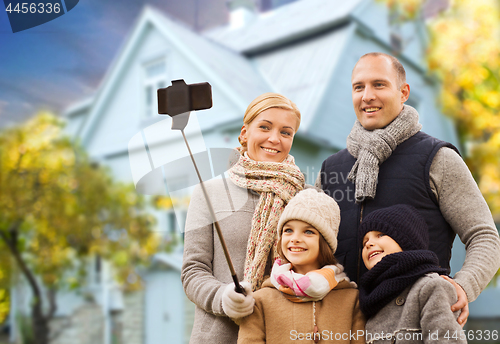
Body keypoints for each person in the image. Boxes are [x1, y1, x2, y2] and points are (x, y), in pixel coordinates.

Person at [317, 52, 500, 325]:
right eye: (359, 87)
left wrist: (462, 286)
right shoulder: (331, 169)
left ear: (403, 93)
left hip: (417, 326)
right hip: (343, 328)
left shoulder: (437, 157)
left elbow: (484, 236)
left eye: (379, 84)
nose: (367, 95)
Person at [181, 93, 306, 344]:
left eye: (286, 132)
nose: (274, 138)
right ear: (244, 133)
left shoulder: (306, 198)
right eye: (264, 127)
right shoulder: (210, 192)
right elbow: (193, 270)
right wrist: (223, 297)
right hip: (221, 335)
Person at [238, 188, 365, 344]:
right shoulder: (260, 301)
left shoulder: (352, 300)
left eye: (308, 232)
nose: (295, 239)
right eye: (288, 230)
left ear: (325, 241)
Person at [359, 204, 466, 343]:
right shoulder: (370, 300)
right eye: (364, 241)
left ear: (406, 239)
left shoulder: (431, 286)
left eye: (380, 234)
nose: (369, 243)